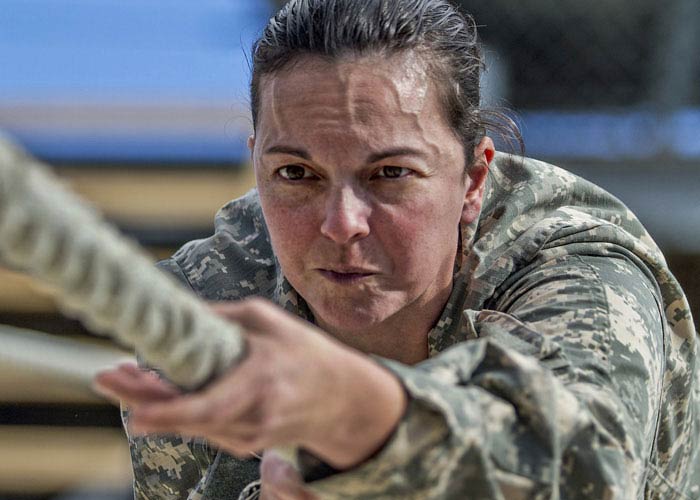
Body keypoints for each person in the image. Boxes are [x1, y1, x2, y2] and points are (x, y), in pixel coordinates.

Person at [94, 0, 699, 498]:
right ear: (256, 164)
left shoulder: (576, 271)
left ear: (473, 179)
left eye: (390, 174)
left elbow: (583, 474)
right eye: (295, 174)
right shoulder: (208, 306)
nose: (341, 224)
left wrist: (356, 419)